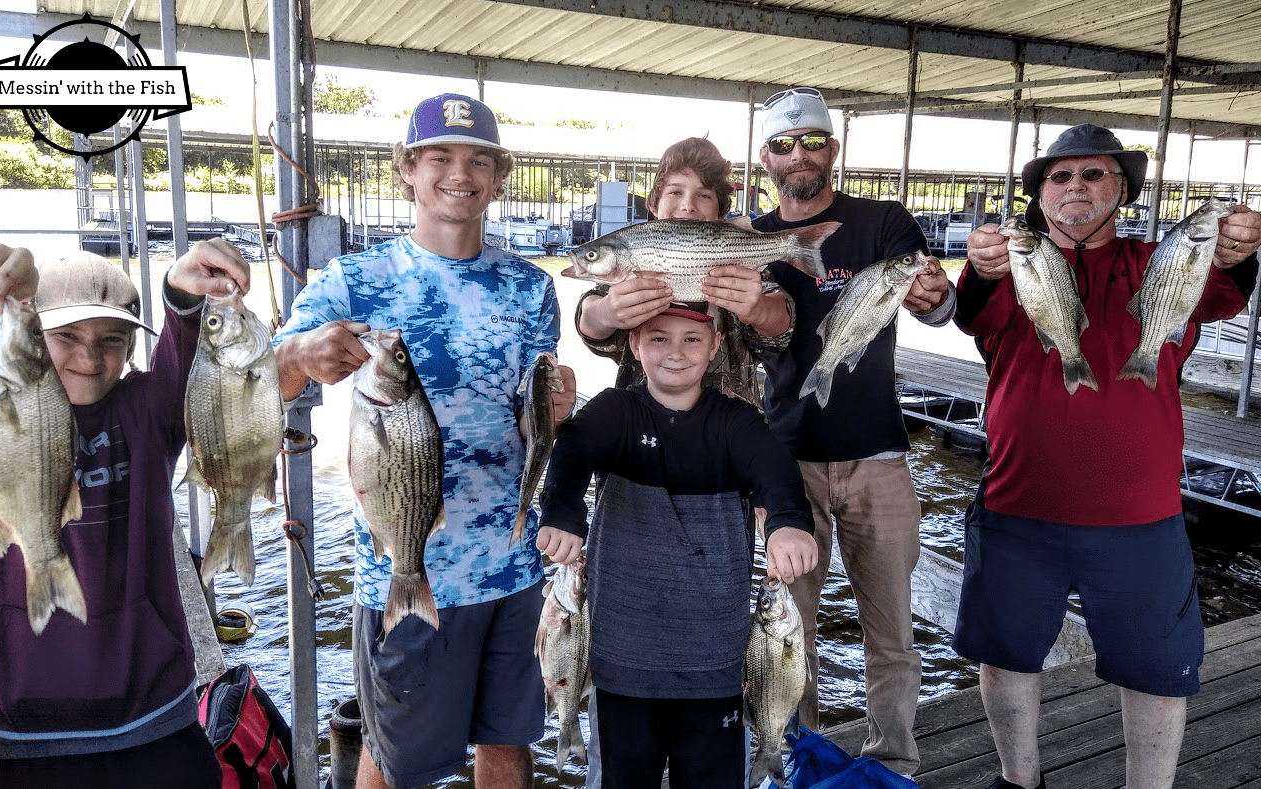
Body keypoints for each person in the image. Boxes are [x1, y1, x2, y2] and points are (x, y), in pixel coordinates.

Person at [272, 93, 576, 789]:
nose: (458, 173)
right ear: (408, 169)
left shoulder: (532, 288)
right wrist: (300, 357)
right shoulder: (355, 279)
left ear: (498, 178)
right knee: (395, 757)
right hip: (407, 568)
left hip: (515, 567)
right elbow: (263, 379)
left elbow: (532, 430)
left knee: (507, 745)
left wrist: (552, 409)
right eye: (439, 156)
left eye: (478, 161)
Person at [953, 123, 1261, 789]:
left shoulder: (1161, 258)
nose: (1075, 186)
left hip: (1140, 513)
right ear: (1039, 195)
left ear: (1122, 189)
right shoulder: (1015, 259)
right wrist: (980, 266)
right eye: (1059, 176)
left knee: (1156, 667)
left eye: (1094, 174)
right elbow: (972, 308)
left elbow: (1223, 286)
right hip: (1016, 504)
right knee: (1005, 656)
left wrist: (1235, 252)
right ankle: (1019, 779)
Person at [0, 238, 251, 788]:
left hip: (150, 720)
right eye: (64, 337)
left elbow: (185, 359)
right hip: (6, 729)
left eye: (112, 341)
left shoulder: (145, 413)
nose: (90, 358)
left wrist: (182, 294)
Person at [750, 86, 955, 777]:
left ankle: (893, 758)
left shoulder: (882, 221)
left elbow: (934, 301)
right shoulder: (754, 240)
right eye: (783, 143)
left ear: (833, 149)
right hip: (785, 462)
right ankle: (794, 759)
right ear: (765, 159)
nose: (799, 154)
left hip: (879, 456)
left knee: (892, 629)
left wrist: (937, 295)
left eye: (812, 140)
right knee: (787, 633)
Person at [537, 302, 818, 787]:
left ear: (714, 348)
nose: (675, 352)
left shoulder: (738, 422)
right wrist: (563, 515)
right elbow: (573, 451)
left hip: (716, 665)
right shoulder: (614, 410)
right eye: (659, 337)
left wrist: (789, 523)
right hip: (620, 662)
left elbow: (776, 472)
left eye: (692, 339)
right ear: (634, 345)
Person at [574, 136, 795, 405]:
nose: (688, 205)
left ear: (720, 212)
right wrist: (606, 313)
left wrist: (757, 308)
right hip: (641, 427)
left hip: (732, 431)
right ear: (654, 206)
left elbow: (781, 323)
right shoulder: (630, 265)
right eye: (675, 192)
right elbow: (591, 319)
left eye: (703, 195)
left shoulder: (740, 266)